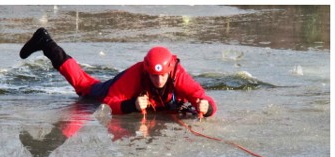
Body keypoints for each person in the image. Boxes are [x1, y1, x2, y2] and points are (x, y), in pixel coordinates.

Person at [19, 28, 217, 117]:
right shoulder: (136, 74)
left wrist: (206, 108)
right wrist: (131, 105)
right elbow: (109, 103)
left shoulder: (178, 74)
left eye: (162, 75)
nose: (158, 80)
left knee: (87, 82)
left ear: (170, 70)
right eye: (154, 75)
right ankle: (46, 43)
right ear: (147, 69)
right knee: (84, 86)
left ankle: (46, 42)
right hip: (118, 87)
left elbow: (205, 100)